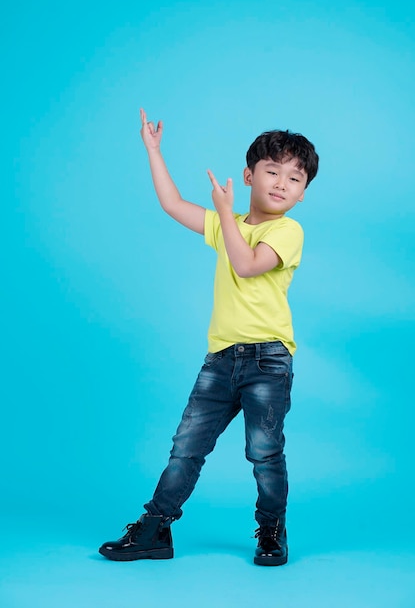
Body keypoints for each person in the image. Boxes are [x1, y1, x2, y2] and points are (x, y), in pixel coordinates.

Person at [99, 108, 319, 566]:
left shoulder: (287, 230)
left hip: (268, 362)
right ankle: (155, 529)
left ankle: (272, 530)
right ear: (249, 174)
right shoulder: (226, 223)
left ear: (302, 195)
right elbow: (172, 203)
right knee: (186, 447)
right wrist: (153, 151)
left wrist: (223, 212)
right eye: (272, 171)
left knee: (263, 452)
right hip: (220, 359)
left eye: (294, 179)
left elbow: (246, 263)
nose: (281, 183)